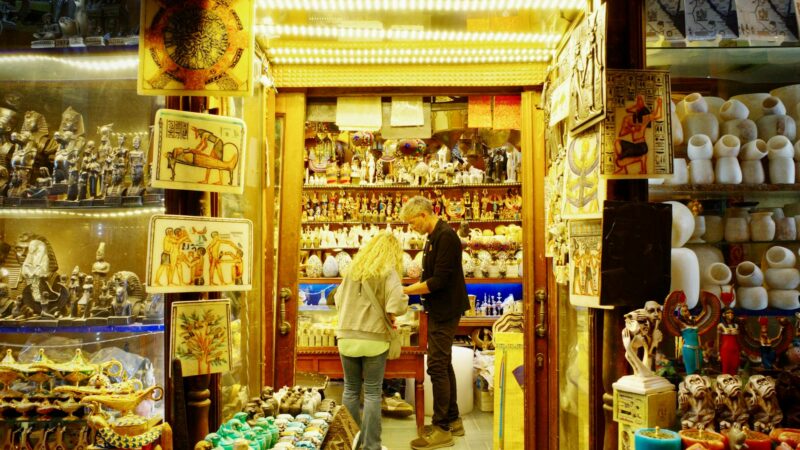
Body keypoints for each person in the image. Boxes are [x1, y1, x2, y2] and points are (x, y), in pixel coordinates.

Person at [400, 196, 469, 449]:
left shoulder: (446, 237)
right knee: (443, 363)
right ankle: (453, 419)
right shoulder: (432, 238)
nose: (411, 227)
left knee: (437, 367)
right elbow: (430, 275)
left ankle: (442, 429)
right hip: (438, 308)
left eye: (412, 222)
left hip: (446, 310)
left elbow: (438, 281)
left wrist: (404, 291)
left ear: (423, 214)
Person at [333, 231, 408, 450]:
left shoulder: (351, 271)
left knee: (350, 390)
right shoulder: (388, 272)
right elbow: (396, 305)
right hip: (374, 338)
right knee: (374, 392)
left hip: (346, 337)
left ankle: (350, 442)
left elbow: (337, 300)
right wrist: (392, 315)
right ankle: (371, 446)